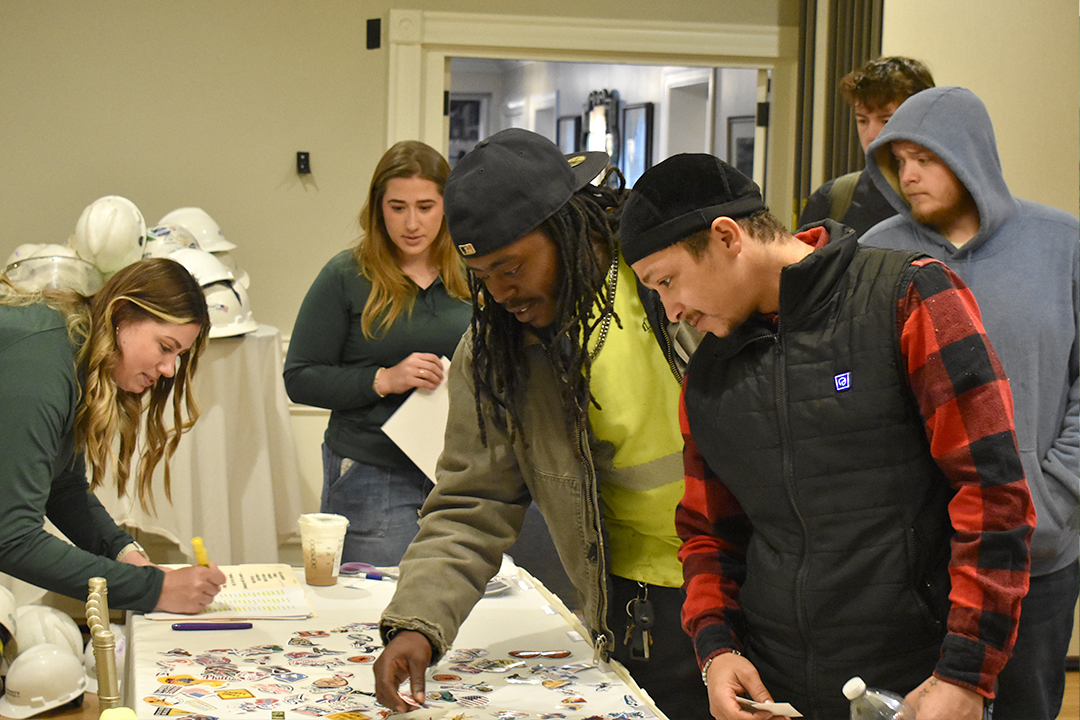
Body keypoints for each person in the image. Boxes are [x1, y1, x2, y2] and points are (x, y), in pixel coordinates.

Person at [620, 153, 1036, 720]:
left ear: (726, 237)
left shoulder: (909, 296)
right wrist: (717, 649)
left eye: (668, 282)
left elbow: (993, 496)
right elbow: (708, 535)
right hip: (778, 689)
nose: (670, 311)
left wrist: (965, 674)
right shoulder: (708, 376)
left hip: (920, 684)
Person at [373, 128, 707, 718]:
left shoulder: (667, 289)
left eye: (512, 266)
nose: (499, 292)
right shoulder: (495, 349)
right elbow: (471, 501)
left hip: (735, 594)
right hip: (631, 608)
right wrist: (418, 623)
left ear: (564, 227)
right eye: (481, 277)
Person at [860, 85, 1080, 720]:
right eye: (897, 160)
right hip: (921, 558)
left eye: (924, 157)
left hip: (1037, 554)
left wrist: (1054, 495)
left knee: (1025, 707)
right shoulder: (879, 249)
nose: (908, 175)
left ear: (970, 156)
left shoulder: (1062, 244)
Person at [0, 256, 225, 613]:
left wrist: (130, 557)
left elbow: (63, 487)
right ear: (121, 315)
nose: (169, 369)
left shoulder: (73, 350)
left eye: (178, 355)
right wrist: (154, 588)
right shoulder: (42, 367)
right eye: (165, 347)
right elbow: (11, 537)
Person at [284, 140, 471, 566]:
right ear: (378, 207)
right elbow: (299, 377)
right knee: (371, 614)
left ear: (447, 206)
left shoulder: (471, 272)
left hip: (458, 473)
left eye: (425, 206)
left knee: (453, 611)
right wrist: (383, 379)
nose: (411, 223)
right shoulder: (347, 275)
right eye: (397, 207)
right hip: (372, 473)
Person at [798, 56, 935, 236]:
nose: (872, 135)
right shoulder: (832, 199)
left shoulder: (947, 202)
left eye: (886, 120)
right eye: (862, 120)